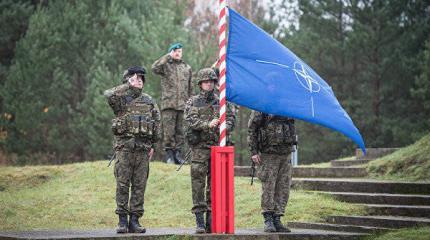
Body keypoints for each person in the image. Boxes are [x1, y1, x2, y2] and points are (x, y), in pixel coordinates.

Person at [104, 66, 161, 234]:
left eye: (141, 79)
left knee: (139, 186)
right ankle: (122, 221)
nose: (139, 81)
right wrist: (127, 84)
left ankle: (134, 221)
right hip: (125, 150)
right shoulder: (120, 100)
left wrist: (153, 145)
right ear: (128, 80)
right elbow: (108, 94)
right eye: (136, 78)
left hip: (143, 151)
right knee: (122, 185)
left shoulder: (149, 101)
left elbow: (157, 124)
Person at [184, 68, 235, 233]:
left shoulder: (221, 101)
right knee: (198, 184)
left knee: (215, 185)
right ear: (200, 84)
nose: (209, 84)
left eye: (212, 81)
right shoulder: (192, 102)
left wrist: (223, 126)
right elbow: (190, 121)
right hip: (200, 149)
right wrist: (207, 124)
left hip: (217, 148)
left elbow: (231, 119)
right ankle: (199, 221)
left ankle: (211, 220)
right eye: (206, 82)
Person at [247, 111, 297, 233]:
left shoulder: (287, 104)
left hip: (285, 153)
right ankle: (268, 219)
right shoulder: (262, 104)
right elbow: (252, 129)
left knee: (283, 187)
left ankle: (277, 218)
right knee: (269, 186)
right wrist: (253, 152)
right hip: (268, 153)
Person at [152, 43, 193, 164]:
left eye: (179, 51)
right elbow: (154, 68)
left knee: (180, 132)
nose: (177, 53)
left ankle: (178, 155)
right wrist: (166, 57)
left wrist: (190, 104)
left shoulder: (187, 68)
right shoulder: (165, 65)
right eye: (175, 51)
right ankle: (169, 155)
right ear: (171, 52)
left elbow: (190, 87)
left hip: (183, 105)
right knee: (169, 132)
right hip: (169, 104)